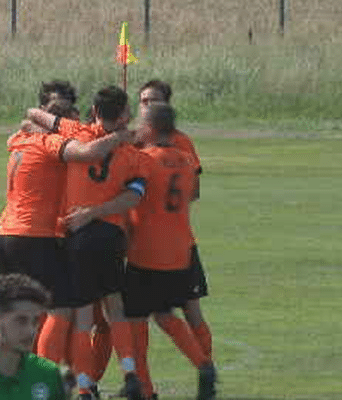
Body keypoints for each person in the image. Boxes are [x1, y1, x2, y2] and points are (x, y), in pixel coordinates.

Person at [0, 81, 134, 366]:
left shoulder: (20, 137)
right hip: (33, 235)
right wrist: (121, 137)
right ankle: (42, 380)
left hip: (5, 232)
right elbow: (88, 153)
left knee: (2, 313)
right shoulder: (49, 142)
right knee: (62, 310)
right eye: (63, 117)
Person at [28, 86, 145, 400]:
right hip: (111, 235)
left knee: (81, 317)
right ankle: (131, 374)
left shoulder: (76, 131)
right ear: (125, 115)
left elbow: (35, 114)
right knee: (115, 309)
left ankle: (83, 386)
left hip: (77, 235)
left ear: (93, 110)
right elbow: (134, 195)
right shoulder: (133, 153)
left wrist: (37, 119)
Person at [127, 103, 216, 400]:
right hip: (179, 251)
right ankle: (203, 364)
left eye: (140, 123)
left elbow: (131, 198)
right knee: (165, 314)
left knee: (135, 323)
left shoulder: (143, 161)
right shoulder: (187, 160)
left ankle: (146, 391)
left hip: (146, 252)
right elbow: (190, 195)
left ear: (150, 128)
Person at [137, 80, 213, 361]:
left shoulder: (178, 143)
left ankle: (206, 366)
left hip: (174, 243)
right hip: (164, 242)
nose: (147, 106)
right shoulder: (139, 141)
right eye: (144, 101)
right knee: (146, 315)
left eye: (153, 101)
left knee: (186, 311)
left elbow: (193, 190)